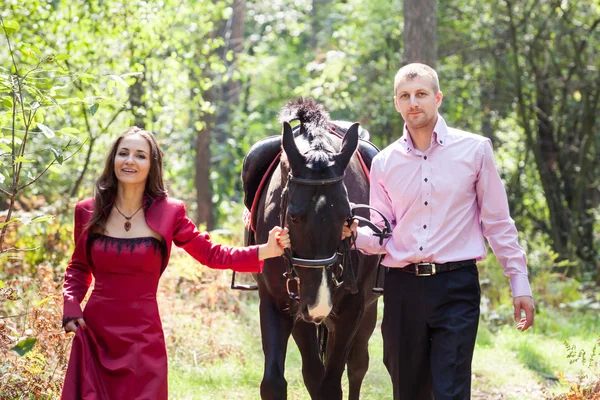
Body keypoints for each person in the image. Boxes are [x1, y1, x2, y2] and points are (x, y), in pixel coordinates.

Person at [342, 63, 535, 400]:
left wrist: (519, 282)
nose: (413, 102)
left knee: (451, 390)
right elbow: (382, 234)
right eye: (405, 95)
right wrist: (350, 234)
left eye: (421, 94)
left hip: (456, 286)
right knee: (408, 391)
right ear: (396, 103)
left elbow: (498, 222)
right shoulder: (384, 163)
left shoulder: (474, 150)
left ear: (437, 97)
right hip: (402, 288)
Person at [61, 126, 290, 400]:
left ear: (152, 165)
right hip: (95, 334)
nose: (130, 161)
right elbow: (78, 267)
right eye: (123, 153)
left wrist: (265, 250)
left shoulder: (170, 212)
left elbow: (211, 254)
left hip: (142, 338)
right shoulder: (87, 210)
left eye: (140, 155)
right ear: (113, 160)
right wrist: (71, 305)